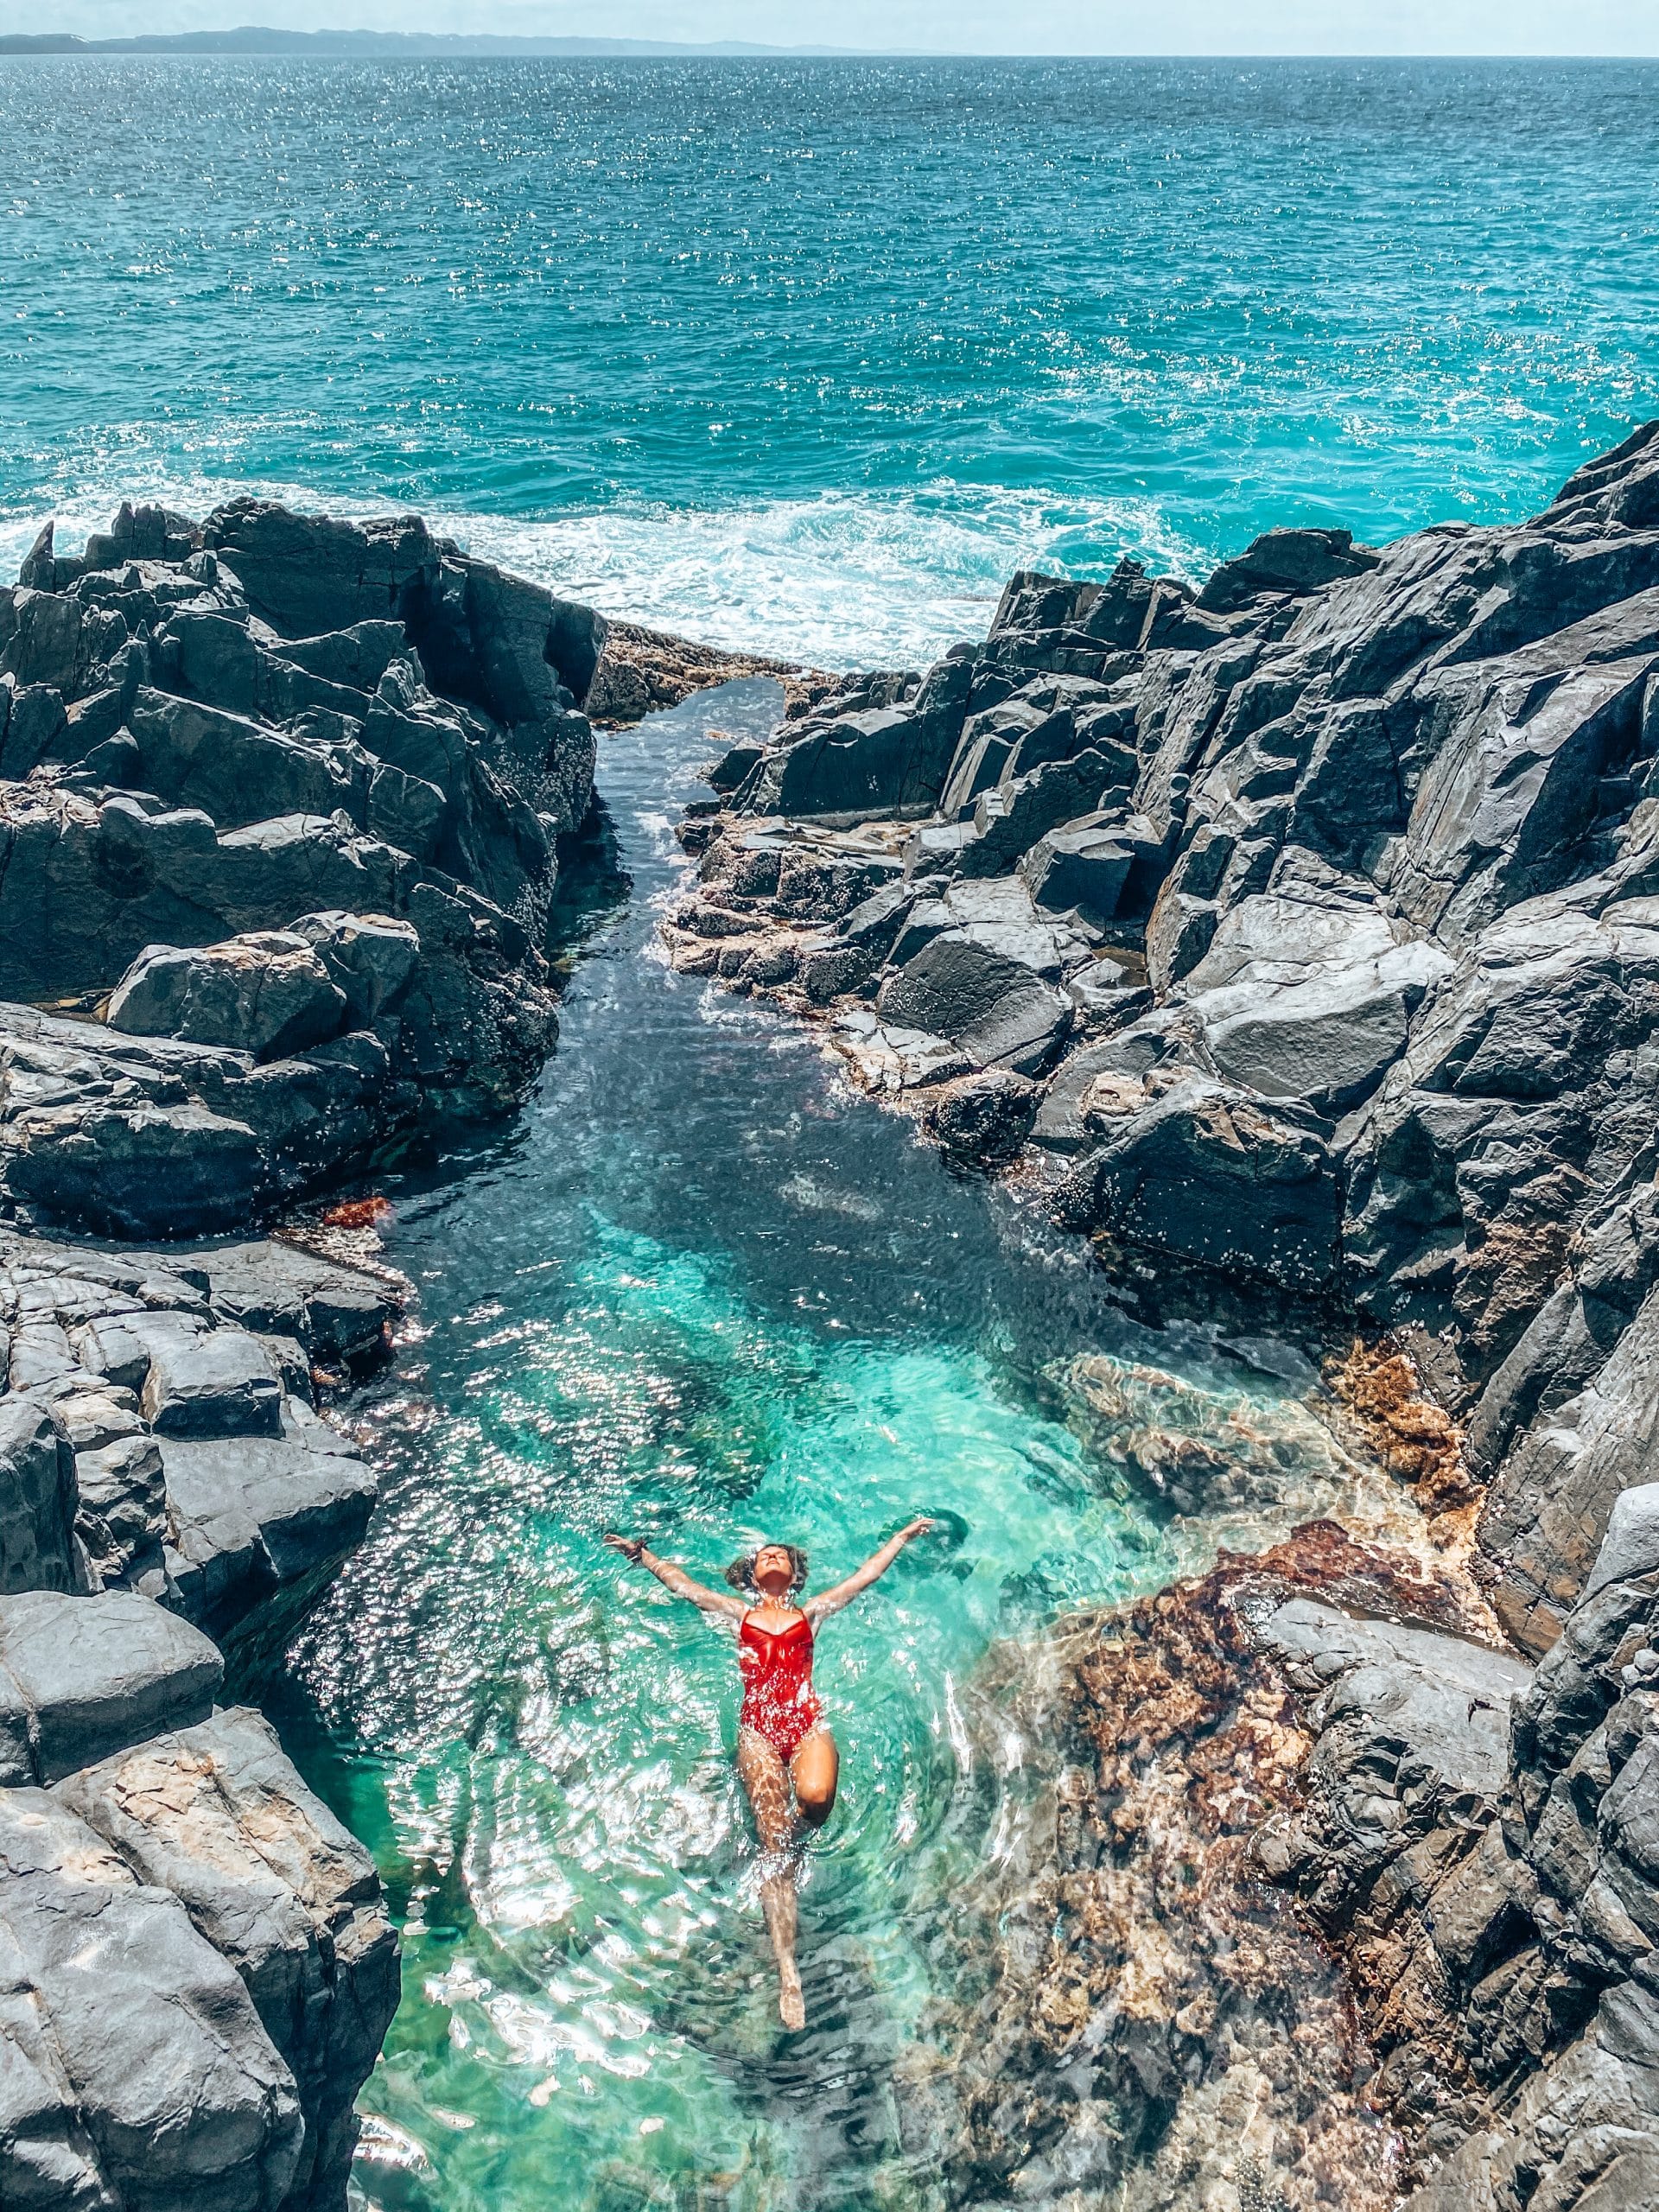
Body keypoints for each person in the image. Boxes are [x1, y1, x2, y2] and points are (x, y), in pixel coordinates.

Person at [604, 1520, 933, 2031]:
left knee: (818, 1799)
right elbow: (684, 1586)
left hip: (805, 1723)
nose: (773, 1557)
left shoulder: (812, 1612)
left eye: (781, 1555)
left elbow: (865, 1576)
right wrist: (642, 1556)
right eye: (764, 1556)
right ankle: (787, 1968)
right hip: (758, 1731)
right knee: (772, 1842)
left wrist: (900, 1539)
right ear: (754, 1575)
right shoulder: (739, 1614)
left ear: (794, 1574)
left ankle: (795, 1841)